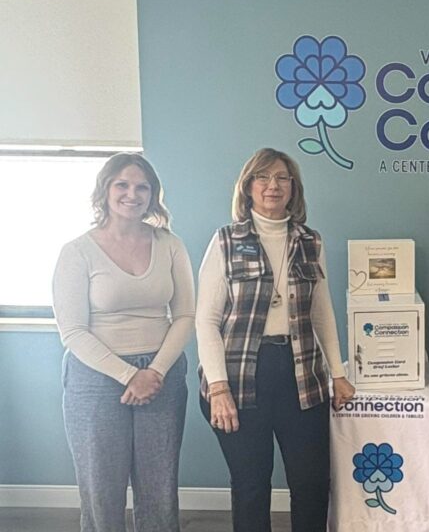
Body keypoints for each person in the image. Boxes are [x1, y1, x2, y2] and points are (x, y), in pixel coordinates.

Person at [196, 148, 355, 532]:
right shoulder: (225, 241)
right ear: (247, 186)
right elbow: (206, 320)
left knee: (312, 483)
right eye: (263, 177)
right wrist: (218, 387)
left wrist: (337, 372)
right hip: (238, 378)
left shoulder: (310, 242)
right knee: (251, 485)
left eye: (282, 178)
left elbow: (322, 313)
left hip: (301, 375)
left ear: (293, 188)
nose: (273, 185)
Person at [53, 153, 195, 532]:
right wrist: (129, 375)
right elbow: (72, 331)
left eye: (142, 187)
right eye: (122, 184)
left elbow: (184, 315)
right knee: (102, 492)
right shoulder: (76, 251)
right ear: (105, 190)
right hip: (96, 379)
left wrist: (154, 372)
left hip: (161, 375)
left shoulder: (171, 244)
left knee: (159, 491)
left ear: (153, 195)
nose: (132, 194)